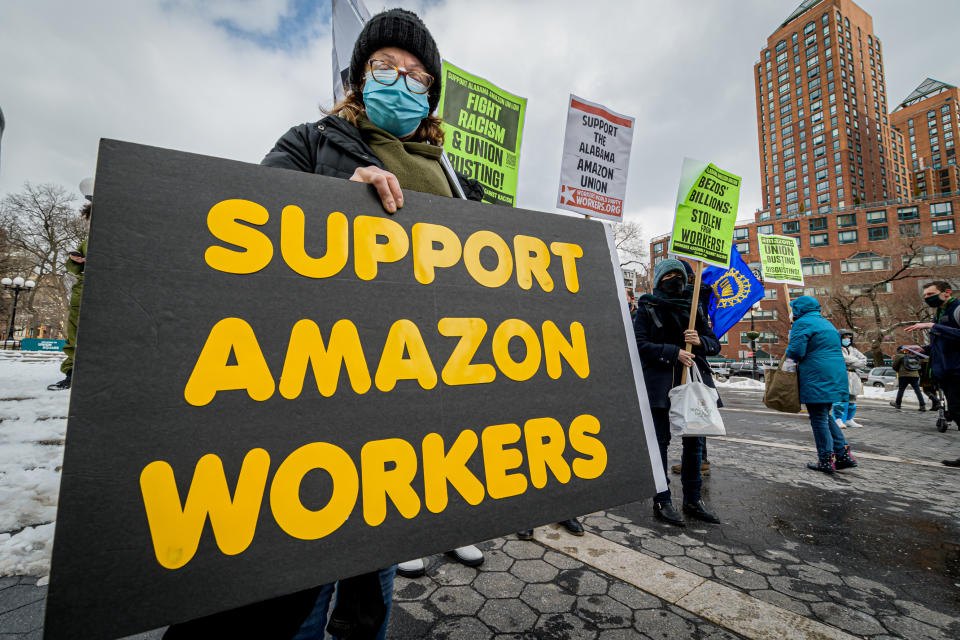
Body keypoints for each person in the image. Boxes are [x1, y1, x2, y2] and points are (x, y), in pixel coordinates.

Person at [166, 9, 479, 639]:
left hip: (410, 403)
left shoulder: (455, 179)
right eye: (385, 66)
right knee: (297, 591)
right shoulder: (312, 141)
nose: (401, 79)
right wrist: (338, 194)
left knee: (373, 584)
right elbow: (249, 223)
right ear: (360, 77)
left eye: (416, 74)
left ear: (432, 94)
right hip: (317, 394)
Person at [634, 258, 721, 526]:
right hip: (660, 384)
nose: (676, 279)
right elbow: (639, 345)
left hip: (693, 386)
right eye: (669, 274)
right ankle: (662, 499)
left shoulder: (695, 308)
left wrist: (700, 341)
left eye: (679, 274)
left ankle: (693, 499)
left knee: (694, 443)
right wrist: (673, 353)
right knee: (660, 442)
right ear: (659, 278)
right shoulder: (646, 308)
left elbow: (714, 345)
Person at [785, 297, 858, 473]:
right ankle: (842, 454)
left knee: (818, 418)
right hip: (834, 372)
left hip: (816, 374)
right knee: (824, 415)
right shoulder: (826, 323)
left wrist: (790, 348)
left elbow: (796, 351)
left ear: (799, 309)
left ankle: (826, 459)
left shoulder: (802, 323)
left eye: (793, 309)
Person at [48, 191, 92, 391]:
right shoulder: (85, 243)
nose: (90, 224)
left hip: (110, 293)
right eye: (88, 221)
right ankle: (72, 373)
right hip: (83, 291)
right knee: (76, 334)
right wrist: (75, 261)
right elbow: (71, 268)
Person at [906, 281, 960, 429]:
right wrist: (923, 349)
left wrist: (933, 326)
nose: (927, 298)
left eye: (931, 294)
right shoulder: (939, 312)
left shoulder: (957, 309)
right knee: (954, 409)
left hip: (957, 369)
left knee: (956, 409)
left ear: (947, 293)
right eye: (925, 296)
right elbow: (942, 342)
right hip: (945, 370)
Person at [832, 329, 867, 428]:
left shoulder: (853, 350)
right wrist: (855, 361)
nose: (847, 340)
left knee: (852, 399)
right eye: (845, 338)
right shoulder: (836, 349)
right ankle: (838, 419)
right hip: (842, 375)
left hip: (853, 376)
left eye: (849, 338)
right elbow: (842, 358)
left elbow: (864, 361)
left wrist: (851, 362)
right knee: (840, 399)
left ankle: (848, 419)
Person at [889, 345, 926, 411]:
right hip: (915, 375)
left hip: (904, 375)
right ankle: (922, 405)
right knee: (917, 390)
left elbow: (894, 366)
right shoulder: (914, 355)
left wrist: (898, 370)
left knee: (901, 389)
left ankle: (898, 404)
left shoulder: (899, 356)